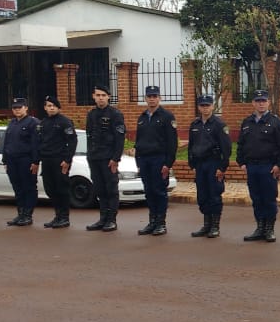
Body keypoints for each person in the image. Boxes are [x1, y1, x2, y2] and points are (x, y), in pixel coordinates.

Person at [237, 89, 280, 243]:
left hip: (268, 167)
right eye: (258, 101)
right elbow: (241, 144)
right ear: (253, 103)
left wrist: (279, 165)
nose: (261, 103)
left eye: (264, 101)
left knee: (269, 199)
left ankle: (269, 229)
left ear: (268, 102)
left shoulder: (276, 122)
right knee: (256, 198)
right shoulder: (247, 122)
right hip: (252, 167)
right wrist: (241, 162)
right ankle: (260, 227)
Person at [134, 85, 178, 236]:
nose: (152, 99)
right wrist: (138, 162)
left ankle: (161, 223)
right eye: (149, 96)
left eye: (155, 96)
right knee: (149, 192)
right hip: (145, 160)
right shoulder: (142, 117)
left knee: (159, 192)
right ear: (145, 98)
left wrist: (168, 164)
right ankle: (152, 222)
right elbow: (138, 141)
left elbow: (172, 143)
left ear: (160, 98)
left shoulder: (167, 117)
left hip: (159, 159)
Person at [188, 94, 231, 239]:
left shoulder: (219, 125)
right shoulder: (195, 125)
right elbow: (191, 146)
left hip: (213, 164)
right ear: (199, 107)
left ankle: (215, 226)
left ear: (213, 106)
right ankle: (206, 225)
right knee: (202, 195)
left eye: (207, 105)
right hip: (200, 165)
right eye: (202, 105)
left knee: (214, 195)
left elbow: (227, 148)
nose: (205, 108)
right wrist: (191, 164)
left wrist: (222, 167)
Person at [84, 84, 126, 232]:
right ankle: (102, 218)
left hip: (108, 159)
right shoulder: (91, 114)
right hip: (95, 157)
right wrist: (89, 155)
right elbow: (89, 136)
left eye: (103, 95)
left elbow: (119, 139)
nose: (100, 98)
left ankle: (111, 220)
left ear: (108, 97)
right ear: (93, 97)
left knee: (111, 189)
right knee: (99, 189)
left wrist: (115, 158)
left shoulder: (115, 114)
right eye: (98, 95)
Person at [37, 96, 77, 229]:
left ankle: (64, 217)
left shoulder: (64, 122)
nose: (51, 108)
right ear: (45, 108)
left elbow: (72, 141)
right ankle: (57, 215)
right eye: (48, 105)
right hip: (47, 160)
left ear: (58, 107)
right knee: (50, 189)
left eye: (54, 105)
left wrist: (67, 160)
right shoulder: (43, 123)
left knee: (61, 189)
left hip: (59, 161)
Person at [2, 97, 40, 227]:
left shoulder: (33, 123)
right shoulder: (12, 123)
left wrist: (35, 161)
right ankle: (20, 213)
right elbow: (7, 142)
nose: (17, 110)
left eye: (20, 107)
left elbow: (36, 144)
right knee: (17, 188)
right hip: (12, 160)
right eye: (15, 108)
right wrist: (5, 160)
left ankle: (27, 215)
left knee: (28, 187)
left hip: (26, 160)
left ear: (26, 108)